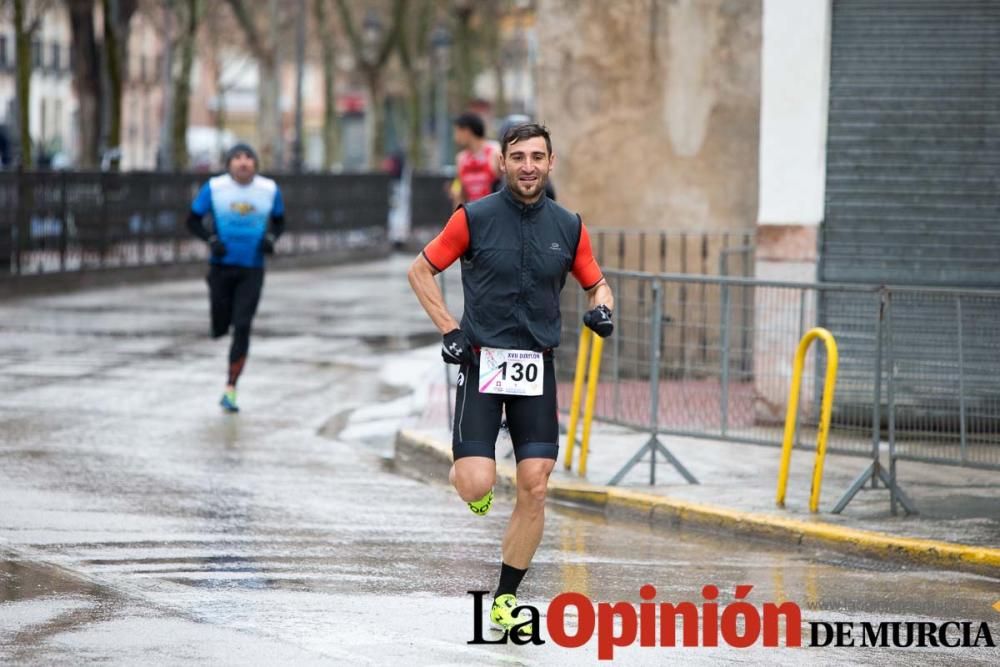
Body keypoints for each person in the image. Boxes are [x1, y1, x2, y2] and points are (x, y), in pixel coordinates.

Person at [408, 123, 614, 636]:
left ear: (551, 162)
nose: (528, 166)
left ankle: (505, 597)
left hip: (535, 366)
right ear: (502, 162)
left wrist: (603, 310)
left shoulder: (568, 226)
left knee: (535, 483)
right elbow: (420, 270)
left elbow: (597, 282)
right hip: (482, 363)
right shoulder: (472, 219)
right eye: (518, 156)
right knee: (477, 482)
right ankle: (468, 479)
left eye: (537, 156)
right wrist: (449, 328)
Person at [187, 143, 285, 413]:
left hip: (252, 269)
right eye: (237, 158)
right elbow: (192, 219)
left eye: (248, 158)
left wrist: (271, 239)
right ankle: (220, 326)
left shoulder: (269, 190)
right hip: (220, 267)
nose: (243, 162)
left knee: (242, 325)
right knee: (221, 325)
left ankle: (231, 388)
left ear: (256, 163)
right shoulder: (214, 188)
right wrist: (211, 239)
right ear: (228, 163)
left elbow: (280, 221)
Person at [450, 112, 501, 207]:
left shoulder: (494, 152)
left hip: (494, 215)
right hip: (473, 216)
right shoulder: (461, 158)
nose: (455, 138)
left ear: (467, 131)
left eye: (457, 132)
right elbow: (459, 194)